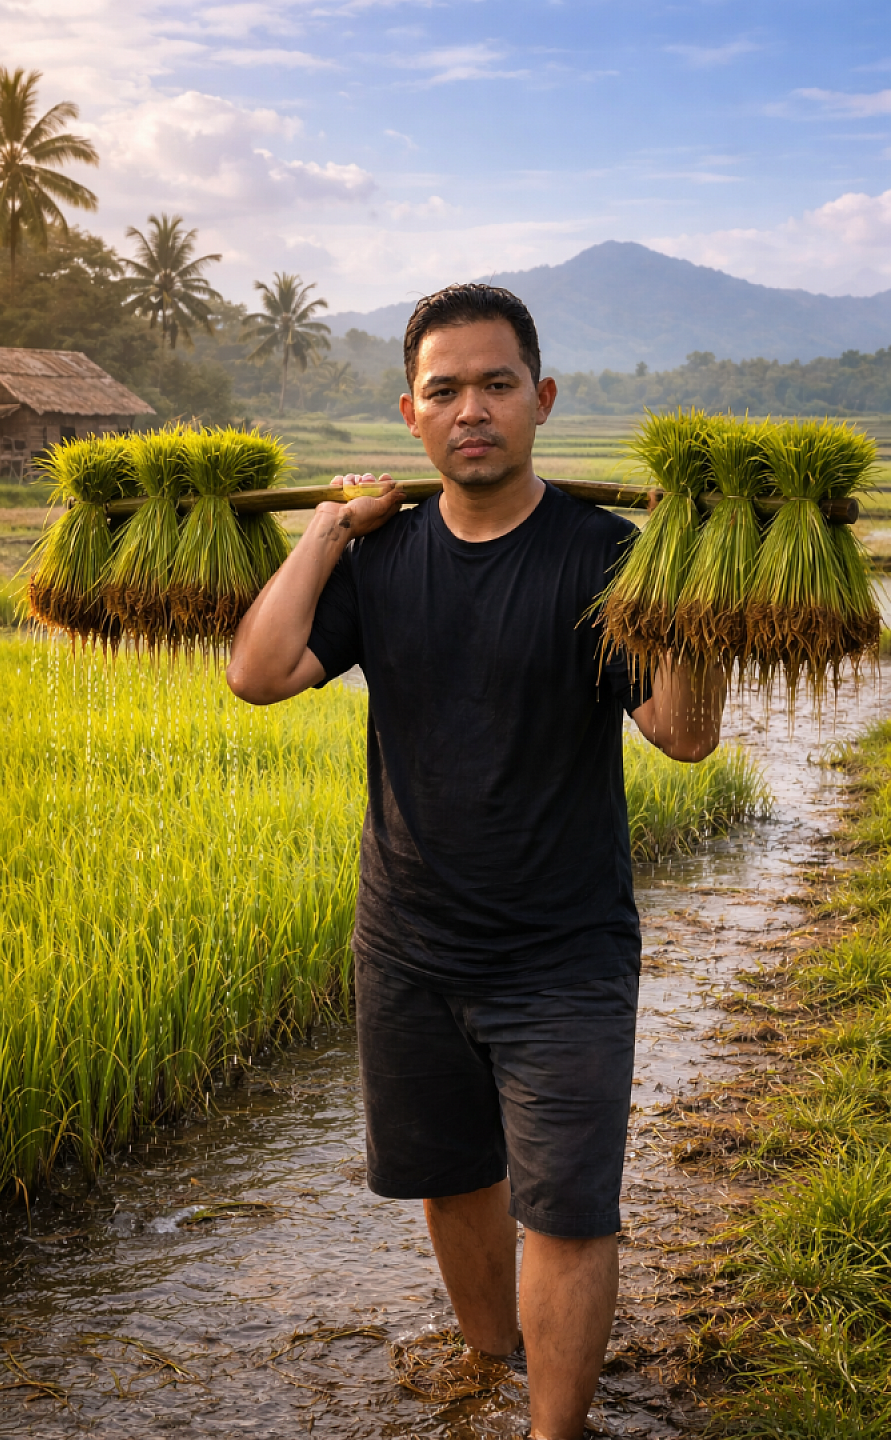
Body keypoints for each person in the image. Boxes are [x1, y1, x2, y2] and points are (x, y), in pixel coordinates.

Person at [227, 283, 726, 1440]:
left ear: (541, 400)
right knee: (453, 1176)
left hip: (562, 954)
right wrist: (325, 530)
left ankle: (554, 1433)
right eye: (445, 389)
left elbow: (684, 735)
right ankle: (490, 1364)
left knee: (566, 1206)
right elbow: (257, 673)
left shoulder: (609, 560)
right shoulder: (384, 555)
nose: (473, 410)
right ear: (411, 414)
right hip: (406, 942)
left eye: (497, 385)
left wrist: (700, 581)